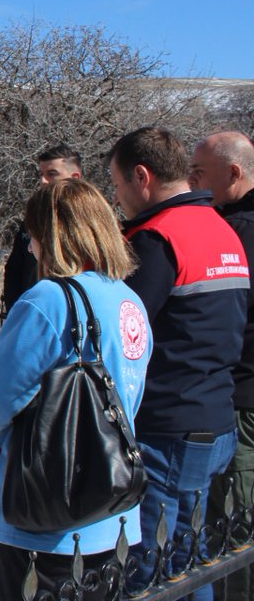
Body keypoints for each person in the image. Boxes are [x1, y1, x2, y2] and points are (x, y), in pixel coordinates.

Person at [0, 179, 150, 600]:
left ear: (54, 235)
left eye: (33, 235)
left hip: (44, 516)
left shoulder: (48, 300)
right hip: (112, 509)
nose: (29, 247)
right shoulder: (128, 300)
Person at [109, 127, 249, 599]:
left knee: (155, 568)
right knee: (188, 562)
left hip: (167, 426)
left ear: (141, 177)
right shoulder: (221, 227)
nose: (117, 195)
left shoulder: (156, 238)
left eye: (117, 182)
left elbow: (123, 330)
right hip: (215, 413)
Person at [190, 132, 254, 601]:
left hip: (241, 394)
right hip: (231, 391)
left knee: (235, 519)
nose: (192, 183)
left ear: (234, 174)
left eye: (200, 174)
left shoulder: (239, 231)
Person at [1, 144, 82, 314]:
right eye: (42, 174)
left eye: (52, 174)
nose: (43, 181)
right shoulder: (34, 220)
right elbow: (15, 270)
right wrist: (15, 311)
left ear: (75, 177)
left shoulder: (88, 224)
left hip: (72, 317)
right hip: (31, 313)